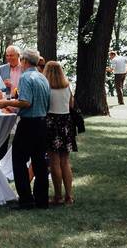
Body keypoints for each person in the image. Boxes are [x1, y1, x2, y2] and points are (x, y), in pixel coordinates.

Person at [0, 48, 51, 209]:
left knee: (18, 160)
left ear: (25, 61)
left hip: (28, 123)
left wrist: (6, 103)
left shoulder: (26, 77)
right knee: (39, 162)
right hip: (42, 122)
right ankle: (42, 200)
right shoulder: (43, 77)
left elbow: (26, 102)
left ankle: (26, 199)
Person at [43, 60, 76, 205]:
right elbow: (71, 105)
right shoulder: (67, 86)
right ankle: (69, 196)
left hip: (51, 123)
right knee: (65, 162)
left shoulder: (46, 87)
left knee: (54, 162)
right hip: (66, 123)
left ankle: (58, 196)